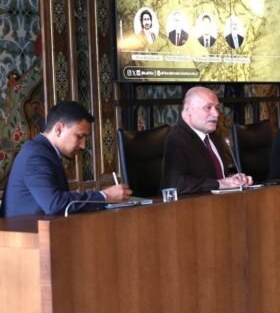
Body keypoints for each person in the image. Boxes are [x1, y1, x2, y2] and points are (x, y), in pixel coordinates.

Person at [0, 101, 132, 217]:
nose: (83, 145)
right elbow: (55, 204)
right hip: (25, 235)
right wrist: (105, 196)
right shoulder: (36, 155)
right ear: (58, 129)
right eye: (79, 136)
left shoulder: (43, 151)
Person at [161, 86, 252, 193]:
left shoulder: (212, 135)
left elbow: (215, 177)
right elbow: (175, 184)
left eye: (217, 108)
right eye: (208, 108)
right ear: (188, 110)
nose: (216, 114)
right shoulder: (177, 138)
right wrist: (220, 184)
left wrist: (233, 180)